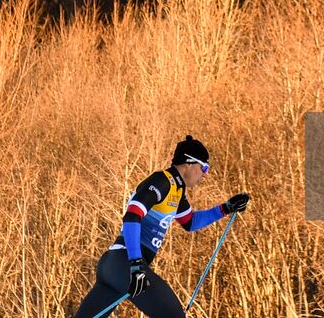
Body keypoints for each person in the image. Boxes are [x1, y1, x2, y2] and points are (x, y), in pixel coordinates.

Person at [72, 135, 250, 318]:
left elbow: (190, 222)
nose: (205, 174)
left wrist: (225, 208)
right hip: (124, 263)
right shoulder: (162, 182)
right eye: (204, 167)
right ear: (188, 163)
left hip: (114, 267)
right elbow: (132, 215)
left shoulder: (177, 190)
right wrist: (136, 264)